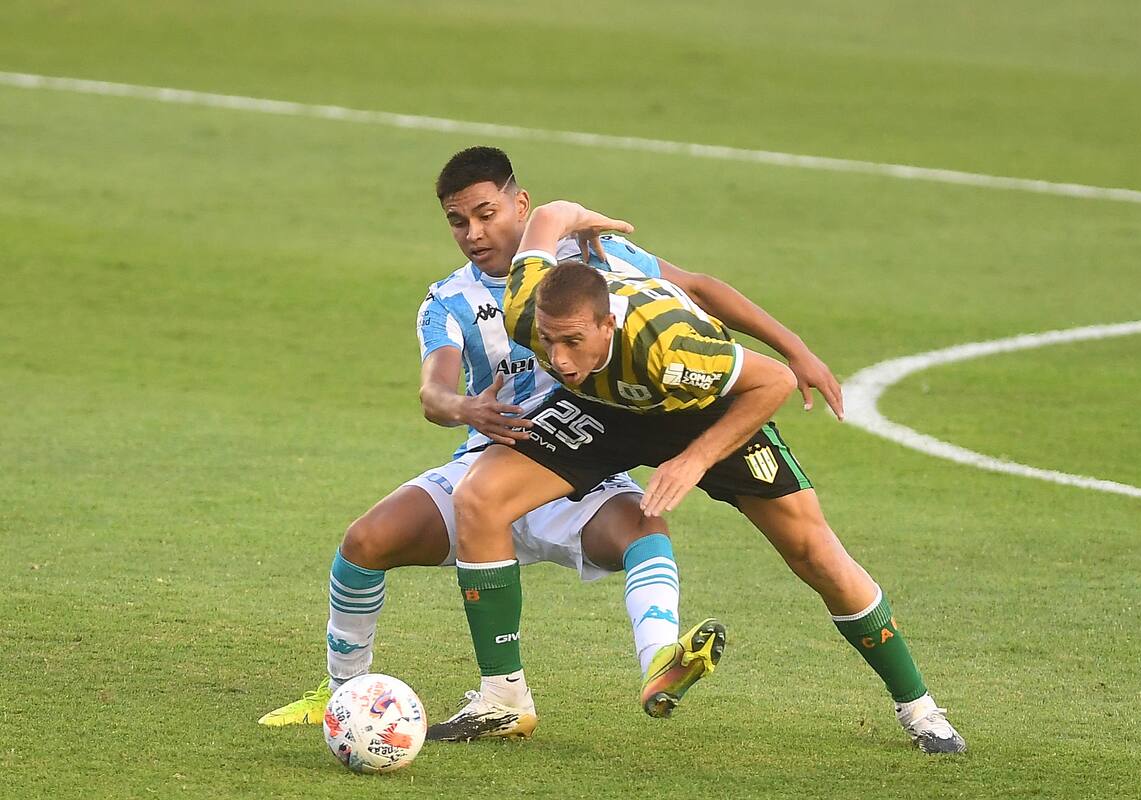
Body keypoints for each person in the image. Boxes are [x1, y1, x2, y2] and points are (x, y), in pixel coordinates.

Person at [259, 147, 839, 738]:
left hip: (583, 460)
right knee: (363, 542)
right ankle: (345, 696)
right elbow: (433, 392)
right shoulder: (449, 299)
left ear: (520, 204)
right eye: (458, 222)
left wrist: (794, 349)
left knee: (643, 529)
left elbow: (698, 289)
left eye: (485, 215)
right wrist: (466, 406)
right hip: (490, 465)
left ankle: (660, 660)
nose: (473, 233)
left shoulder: (590, 263)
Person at [435, 200, 967, 754]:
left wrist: (694, 458)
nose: (560, 358)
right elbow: (546, 214)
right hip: (603, 407)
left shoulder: (671, 348)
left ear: (607, 322)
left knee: (813, 552)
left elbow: (772, 383)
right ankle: (503, 698)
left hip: (703, 411)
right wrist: (585, 217)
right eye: (550, 342)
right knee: (481, 495)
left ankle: (921, 709)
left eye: (574, 341)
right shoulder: (529, 312)